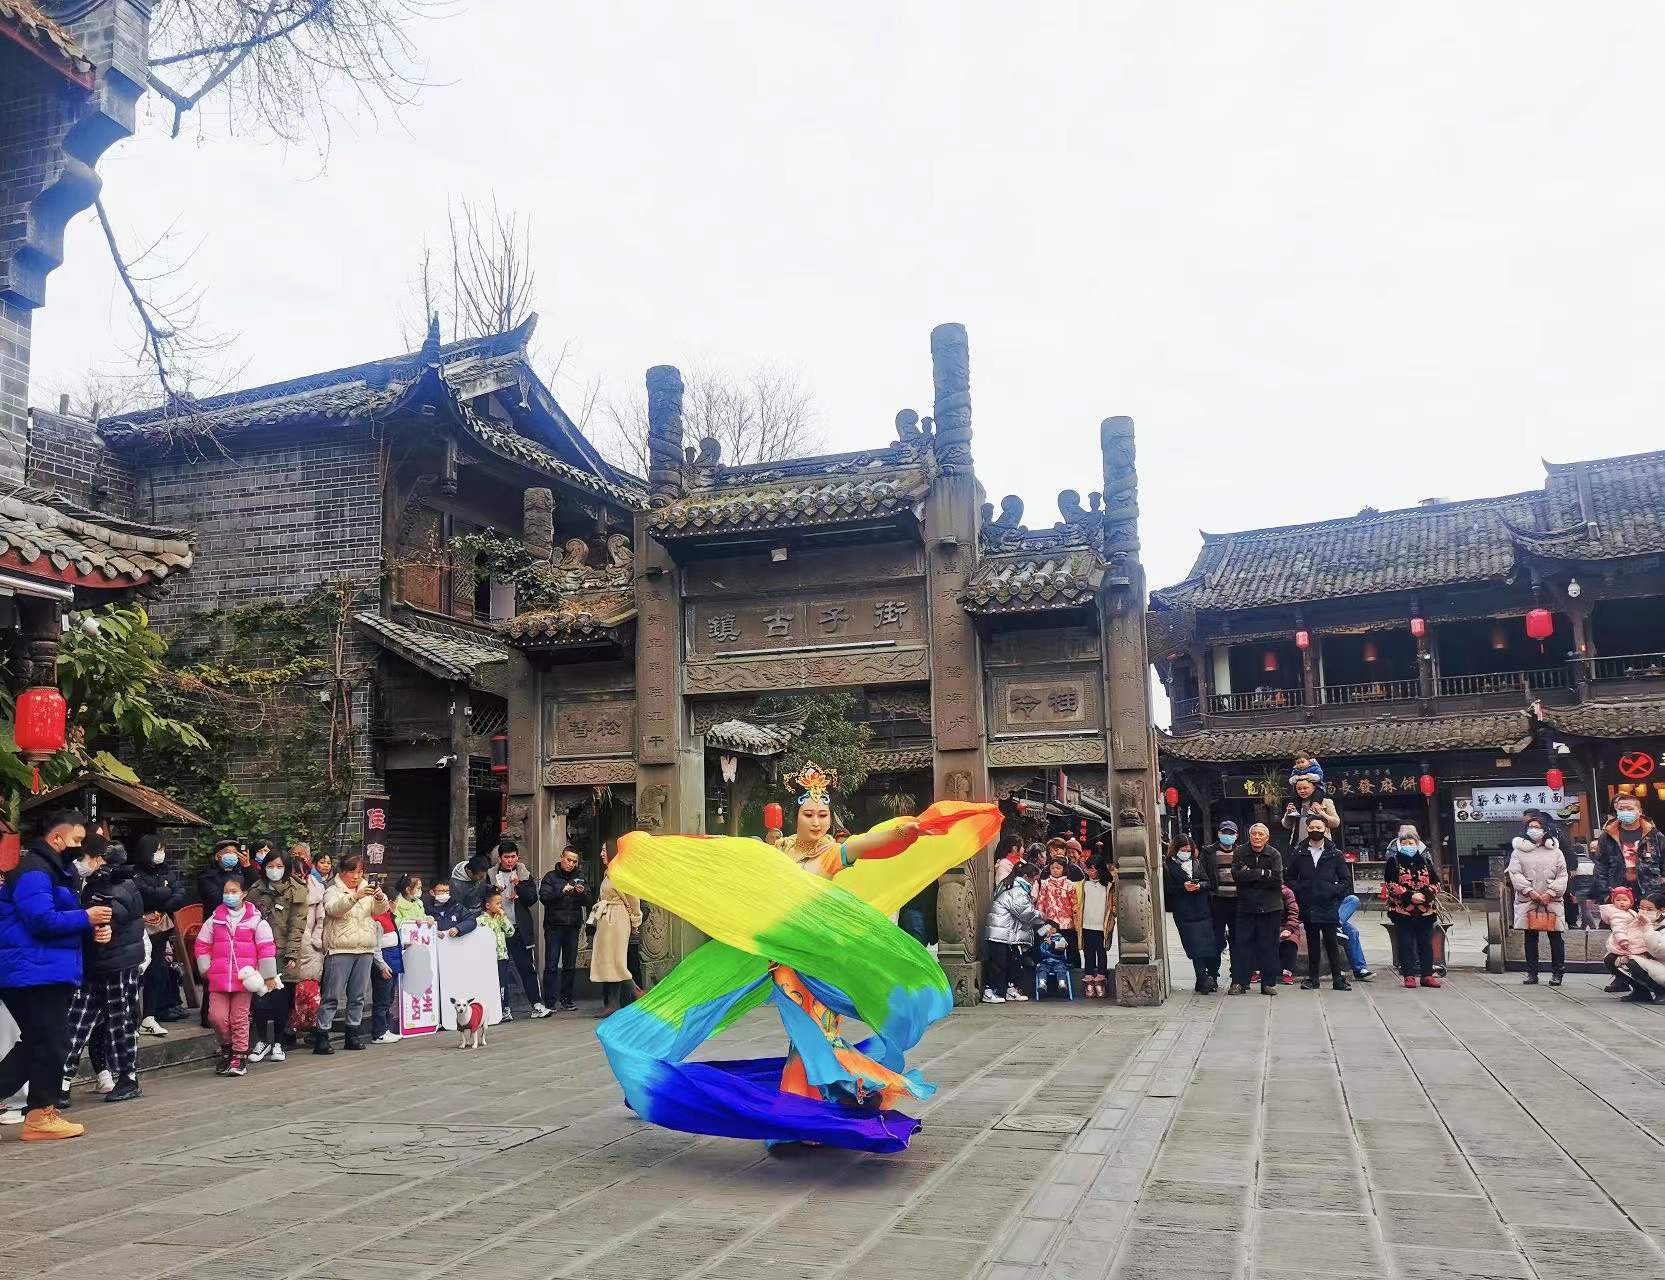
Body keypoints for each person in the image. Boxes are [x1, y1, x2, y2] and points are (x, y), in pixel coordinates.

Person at [0, 810, 106, 1140]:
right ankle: (42, 1114)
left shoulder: (55, 870)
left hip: (41, 968)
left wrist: (91, 929)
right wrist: (85, 918)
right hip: (31, 970)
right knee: (51, 1041)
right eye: (77, 839)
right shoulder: (34, 870)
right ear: (57, 838)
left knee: (40, 1042)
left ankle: (39, 1114)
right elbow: (41, 920)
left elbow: (60, 919)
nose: (81, 846)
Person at [60, 834, 146, 1103]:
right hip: (96, 961)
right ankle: (62, 1078)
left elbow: (113, 912)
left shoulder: (113, 882)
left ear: (98, 859)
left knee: (118, 1020)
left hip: (117, 962)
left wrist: (105, 927)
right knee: (78, 1019)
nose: (79, 863)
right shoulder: (92, 882)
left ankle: (127, 1077)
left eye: (82, 858)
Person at [194, 872, 277, 1076]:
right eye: (226, 892)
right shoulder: (215, 919)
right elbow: (202, 944)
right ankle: (227, 1049)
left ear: (244, 893)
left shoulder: (256, 920)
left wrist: (268, 976)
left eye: (234, 891)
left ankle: (239, 1056)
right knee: (216, 1017)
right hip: (219, 978)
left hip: (244, 979)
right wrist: (206, 968)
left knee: (239, 1018)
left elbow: (266, 947)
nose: (229, 895)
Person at [313, 853, 388, 1054]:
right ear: (342, 872)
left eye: (360, 872)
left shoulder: (367, 889)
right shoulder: (332, 890)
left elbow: (380, 910)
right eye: (352, 872)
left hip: (365, 948)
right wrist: (355, 897)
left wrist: (380, 898)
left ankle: (352, 1034)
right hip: (340, 948)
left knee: (358, 996)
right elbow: (333, 909)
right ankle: (322, 1035)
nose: (356, 876)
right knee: (331, 995)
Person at [246, 850, 307, 1063]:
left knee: (281, 1000)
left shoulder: (297, 890)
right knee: (260, 999)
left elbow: (297, 925)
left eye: (279, 866)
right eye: (270, 866)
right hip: (258, 953)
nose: (275, 870)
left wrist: (292, 953)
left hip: (284, 953)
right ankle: (262, 1040)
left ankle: (278, 1042)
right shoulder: (255, 890)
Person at [1285, 812, 1353, 991]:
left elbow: (1346, 879)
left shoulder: (1335, 853)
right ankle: (1313, 978)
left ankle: (1338, 979)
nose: (1315, 830)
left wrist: (1333, 890)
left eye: (1319, 827)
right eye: (1312, 827)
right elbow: (1289, 877)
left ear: (1325, 829)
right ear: (1307, 829)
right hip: (1308, 904)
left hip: (1328, 904)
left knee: (1331, 942)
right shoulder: (1299, 852)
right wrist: (1300, 889)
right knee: (1312, 942)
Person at [133, 834, 187, 1034]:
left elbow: (179, 893)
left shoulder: (166, 871)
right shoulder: (135, 873)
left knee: (156, 972)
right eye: (158, 850)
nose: (161, 854)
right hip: (138, 931)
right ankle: (132, 1018)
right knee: (136, 973)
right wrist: (164, 892)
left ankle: (149, 1016)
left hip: (160, 931)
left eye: (163, 850)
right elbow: (144, 895)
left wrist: (163, 902)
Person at [1508, 815, 1569, 985]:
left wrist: (1551, 892)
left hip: (1552, 900)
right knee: (1530, 937)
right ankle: (1531, 972)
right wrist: (1529, 891)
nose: (1533, 830)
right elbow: (1515, 873)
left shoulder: (1556, 852)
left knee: (1555, 937)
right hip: (1529, 900)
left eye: (1537, 826)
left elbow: (1562, 875)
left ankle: (1558, 972)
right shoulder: (1518, 852)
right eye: (1531, 827)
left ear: (1545, 829)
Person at [490, 841, 548, 1018]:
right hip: (498, 929)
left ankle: (537, 1004)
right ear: (500, 858)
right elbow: (484, 899)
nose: (510, 860)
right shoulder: (491, 875)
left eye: (513, 857)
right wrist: (494, 891)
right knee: (500, 969)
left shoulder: (524, 873)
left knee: (527, 967)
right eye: (506, 857)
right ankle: (503, 1008)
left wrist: (519, 885)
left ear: (518, 857)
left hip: (519, 928)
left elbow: (532, 899)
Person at [983, 861, 1054, 1003]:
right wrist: (1043, 916)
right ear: (1026, 877)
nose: (1035, 883)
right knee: (999, 964)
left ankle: (1010, 990)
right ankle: (991, 991)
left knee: (1012, 962)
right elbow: (1026, 913)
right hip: (1000, 933)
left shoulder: (1015, 887)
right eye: (1034, 879)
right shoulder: (1017, 891)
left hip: (1008, 933)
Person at [1229, 823, 1283, 996]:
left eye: (1261, 834)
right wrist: (1262, 873)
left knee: (1269, 946)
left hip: (1270, 907)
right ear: (1249, 836)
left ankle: (1268, 983)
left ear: (1267, 838)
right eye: (1254, 834)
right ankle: (1240, 982)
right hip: (1246, 906)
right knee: (1242, 945)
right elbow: (1237, 875)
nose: (1257, 837)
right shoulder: (1240, 852)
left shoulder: (1274, 854)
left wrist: (1251, 874)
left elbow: (1276, 880)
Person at [1383, 825, 1440, 989]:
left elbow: (1436, 882)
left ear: (1417, 843)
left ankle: (1427, 975)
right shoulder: (1394, 861)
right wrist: (1409, 896)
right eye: (1404, 843)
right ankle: (1408, 975)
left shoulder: (1425, 861)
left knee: (1426, 943)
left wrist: (1425, 895)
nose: (1408, 845)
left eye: (1411, 842)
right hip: (1402, 911)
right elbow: (1391, 884)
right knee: (1405, 943)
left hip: (1425, 910)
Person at [589, 844, 642, 1015]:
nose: (601, 853)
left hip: (617, 919)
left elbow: (633, 900)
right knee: (609, 961)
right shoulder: (609, 873)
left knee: (617, 961)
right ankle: (613, 1003)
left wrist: (635, 921)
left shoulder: (621, 873)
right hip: (607, 920)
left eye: (604, 850)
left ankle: (637, 993)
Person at [539, 847, 589, 1012]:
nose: (571, 864)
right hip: (553, 926)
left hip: (572, 926)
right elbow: (544, 898)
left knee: (570, 965)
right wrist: (562, 892)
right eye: (568, 860)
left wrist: (581, 893)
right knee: (551, 964)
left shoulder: (580, 877)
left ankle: (567, 999)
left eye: (574, 861)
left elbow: (589, 900)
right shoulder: (550, 877)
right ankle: (550, 1001)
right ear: (561, 857)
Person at [1164, 835, 1216, 993]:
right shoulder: (1168, 866)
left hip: (1202, 910)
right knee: (1194, 947)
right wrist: (1183, 887)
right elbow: (1167, 890)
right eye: (1182, 850)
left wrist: (1199, 886)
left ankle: (1202, 979)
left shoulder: (1196, 863)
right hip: (1184, 912)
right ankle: (1203, 979)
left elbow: (1209, 883)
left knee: (1206, 946)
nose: (1186, 853)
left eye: (1188, 850)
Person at [1593, 795, 1664, 907]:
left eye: (1630, 809)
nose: (1625, 812)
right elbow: (1600, 866)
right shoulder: (1607, 836)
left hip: (1651, 894)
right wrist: (1605, 893)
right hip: (1618, 894)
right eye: (1621, 809)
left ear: (1639, 811)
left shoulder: (1654, 835)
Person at [286, 844, 325, 1047]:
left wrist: (316, 940)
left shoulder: (317, 887)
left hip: (310, 946)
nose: (298, 858)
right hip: (287, 945)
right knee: (288, 991)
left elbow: (321, 919)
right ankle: (288, 1032)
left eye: (302, 855)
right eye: (294, 855)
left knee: (309, 990)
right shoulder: (282, 885)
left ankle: (311, 1028)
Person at [1200, 820, 1239, 991]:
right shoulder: (1208, 852)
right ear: (1219, 833)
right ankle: (1212, 975)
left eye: (1231, 833)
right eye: (1225, 832)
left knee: (1237, 940)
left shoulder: (1241, 852)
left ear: (1236, 835)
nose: (1227, 836)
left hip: (1237, 901)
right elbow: (1203, 874)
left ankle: (1237, 976)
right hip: (1216, 901)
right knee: (1215, 940)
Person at [1598, 887, 1650, 996]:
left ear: (1631, 901)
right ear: (1613, 902)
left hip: (1633, 941)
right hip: (1623, 943)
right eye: (1618, 900)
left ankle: (1625, 983)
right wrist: (1623, 940)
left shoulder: (1630, 912)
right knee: (1619, 961)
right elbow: (1618, 929)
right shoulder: (1617, 915)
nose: (1622, 903)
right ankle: (1630, 984)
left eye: (1625, 900)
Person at [1034, 856, 1081, 969]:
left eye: (1058, 868)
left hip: (1066, 921)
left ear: (1064, 869)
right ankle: (1045, 963)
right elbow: (1040, 902)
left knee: (1070, 944)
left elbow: (1074, 904)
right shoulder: (1045, 883)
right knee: (1045, 942)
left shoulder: (1069, 884)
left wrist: (1076, 921)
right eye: (1052, 868)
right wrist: (1039, 919)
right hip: (1049, 921)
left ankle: (1074, 966)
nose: (1055, 870)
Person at [1280, 759, 1341, 844]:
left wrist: (1321, 813)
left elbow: (1336, 823)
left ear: (1314, 788)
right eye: (1299, 789)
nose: (1302, 791)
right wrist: (1288, 813)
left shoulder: (1325, 802)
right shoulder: (1296, 803)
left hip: (1321, 846)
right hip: (1298, 845)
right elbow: (1287, 825)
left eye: (1305, 788)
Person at [479, 889, 518, 1019]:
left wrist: (504, 917)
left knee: (503, 983)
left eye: (501, 903)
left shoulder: (499, 918)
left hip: (502, 957)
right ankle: (493, 1009)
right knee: (491, 983)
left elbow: (510, 932)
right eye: (497, 903)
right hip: (489, 958)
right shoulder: (481, 920)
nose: (500, 906)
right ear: (487, 905)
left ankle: (505, 1008)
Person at [1079, 857, 1114, 997]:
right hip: (1086, 923)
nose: (1090, 872)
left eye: (1092, 869)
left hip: (1102, 924)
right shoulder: (1083, 885)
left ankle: (1101, 978)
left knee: (1101, 951)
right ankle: (1088, 978)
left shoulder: (1108, 886)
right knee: (1088, 952)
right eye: (1088, 869)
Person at [370, 905, 402, 1042]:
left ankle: (385, 1029)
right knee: (381, 1000)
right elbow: (375, 947)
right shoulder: (378, 921)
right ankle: (379, 1033)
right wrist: (382, 966)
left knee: (389, 999)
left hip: (393, 961)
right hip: (384, 963)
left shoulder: (390, 917)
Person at [1335, 895, 1374, 982]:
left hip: (1334, 914)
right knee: (1353, 899)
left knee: (1352, 932)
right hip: (1319, 912)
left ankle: (1359, 970)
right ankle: (1336, 926)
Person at [1276, 884, 1302, 986]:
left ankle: (1287, 972)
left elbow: (1294, 912)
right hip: (1267, 926)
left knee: (1290, 942)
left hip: (1286, 926)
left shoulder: (1286, 892)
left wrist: (1289, 929)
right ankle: (1256, 970)